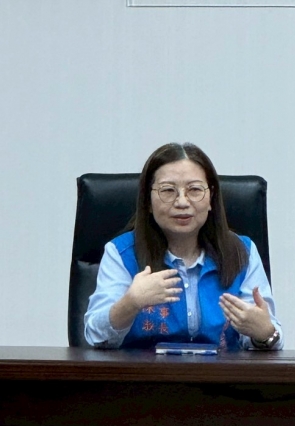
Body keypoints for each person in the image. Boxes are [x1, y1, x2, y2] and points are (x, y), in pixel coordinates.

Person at [85, 142, 283, 350]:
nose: (182, 202)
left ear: (211, 197)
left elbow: (268, 334)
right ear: (148, 201)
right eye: (168, 190)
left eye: (194, 190)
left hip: (223, 371)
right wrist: (130, 303)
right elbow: (96, 336)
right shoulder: (121, 253)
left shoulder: (241, 252)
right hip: (142, 371)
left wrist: (264, 333)